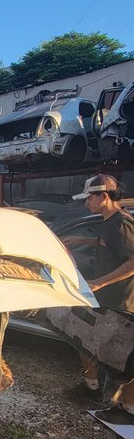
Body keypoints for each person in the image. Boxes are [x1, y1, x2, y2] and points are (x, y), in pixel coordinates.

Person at [68, 173, 134, 414]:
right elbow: (108, 244)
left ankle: (128, 409)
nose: (86, 203)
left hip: (120, 301)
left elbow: (133, 262)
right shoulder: (108, 221)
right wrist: (82, 239)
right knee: (87, 340)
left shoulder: (121, 223)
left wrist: (100, 282)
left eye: (89, 198)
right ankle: (91, 387)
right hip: (105, 299)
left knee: (121, 359)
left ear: (103, 196)